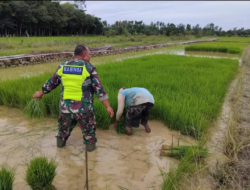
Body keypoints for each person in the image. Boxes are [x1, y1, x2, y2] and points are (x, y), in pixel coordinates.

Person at [33, 45, 114, 152]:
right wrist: (108, 106)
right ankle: (91, 158)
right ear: (84, 56)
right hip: (84, 109)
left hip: (65, 109)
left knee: (62, 132)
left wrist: (41, 92)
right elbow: (99, 89)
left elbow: (51, 83)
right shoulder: (89, 67)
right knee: (89, 135)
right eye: (89, 54)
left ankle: (60, 151)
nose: (90, 56)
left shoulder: (63, 66)